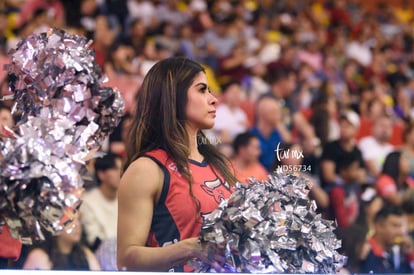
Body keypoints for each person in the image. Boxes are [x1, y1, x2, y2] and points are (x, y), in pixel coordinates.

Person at [117, 57, 238, 272]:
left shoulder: (220, 164)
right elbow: (127, 259)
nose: (213, 99)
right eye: (201, 90)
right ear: (174, 96)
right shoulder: (147, 169)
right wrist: (190, 249)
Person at [22, 215, 100, 270]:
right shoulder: (39, 257)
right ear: (54, 225)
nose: (77, 225)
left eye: (78, 219)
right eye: (70, 221)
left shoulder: (86, 255)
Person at [79, 152, 122, 251]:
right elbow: (93, 240)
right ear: (101, 174)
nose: (121, 173)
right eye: (115, 169)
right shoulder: (88, 202)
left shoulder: (125, 198)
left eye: (122, 168)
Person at [359, 205, 413, 274]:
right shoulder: (363, 252)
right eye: (395, 225)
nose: (401, 232)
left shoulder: (401, 252)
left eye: (403, 226)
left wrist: (410, 256)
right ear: (379, 226)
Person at [358, 114, 394, 179]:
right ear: (373, 127)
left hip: (387, 183)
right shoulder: (366, 142)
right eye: (382, 126)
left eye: (388, 127)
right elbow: (371, 167)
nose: (385, 130)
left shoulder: (392, 149)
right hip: (370, 182)